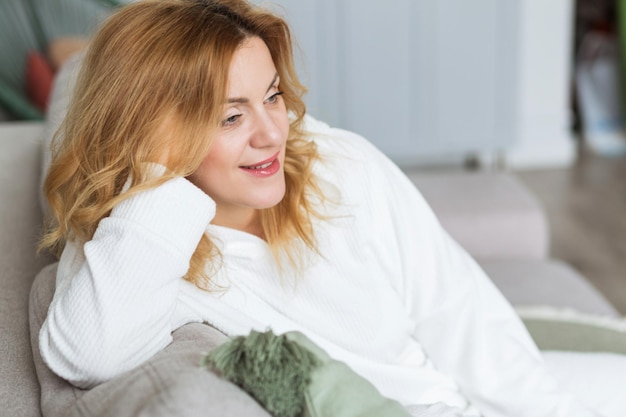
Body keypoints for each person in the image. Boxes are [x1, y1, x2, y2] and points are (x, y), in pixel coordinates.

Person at [37, 1, 615, 416]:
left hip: (471, 387)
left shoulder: (340, 164)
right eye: (230, 116)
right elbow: (85, 356)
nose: (272, 133)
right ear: (152, 141)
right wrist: (160, 179)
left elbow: (459, 311)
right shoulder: (145, 249)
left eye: (271, 96)